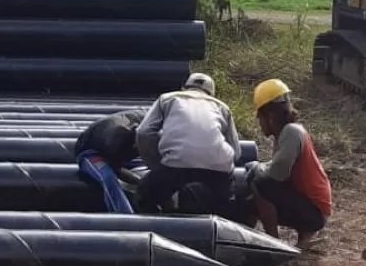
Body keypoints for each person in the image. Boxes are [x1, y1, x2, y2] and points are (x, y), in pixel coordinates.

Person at [134, 72, 241, 215]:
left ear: (183, 88)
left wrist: (157, 164)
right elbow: (236, 151)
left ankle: (154, 228)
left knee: (145, 194)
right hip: (218, 171)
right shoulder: (222, 107)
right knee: (223, 206)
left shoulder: (167, 99)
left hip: (176, 167)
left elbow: (143, 132)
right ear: (211, 94)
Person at [246, 79, 332, 248]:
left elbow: (278, 174)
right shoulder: (285, 135)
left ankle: (273, 244)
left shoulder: (291, 133)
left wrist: (255, 167)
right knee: (251, 197)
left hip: (314, 212)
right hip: (311, 208)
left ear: (269, 116)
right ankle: (302, 238)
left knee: (259, 183)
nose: (260, 124)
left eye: (260, 118)